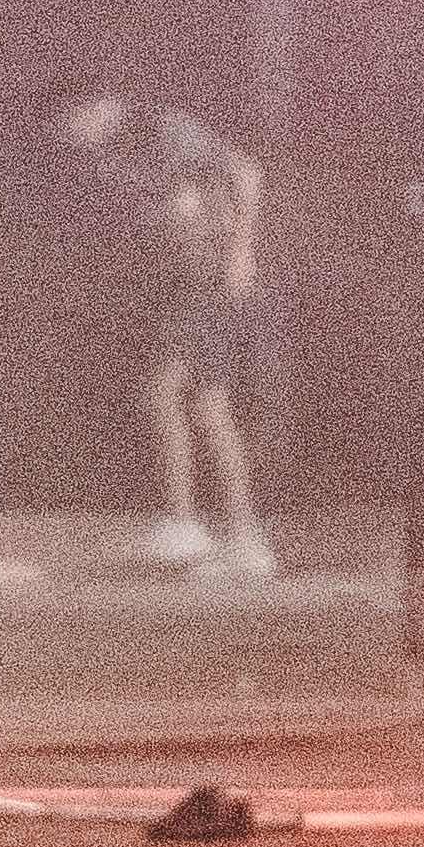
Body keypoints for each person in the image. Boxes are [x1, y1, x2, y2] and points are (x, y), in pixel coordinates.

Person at [53, 94, 274, 576]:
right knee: (195, 403)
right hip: (187, 285)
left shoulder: (162, 131)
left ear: (100, 104)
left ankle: (213, 531)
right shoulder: (117, 161)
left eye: (73, 121)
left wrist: (241, 250)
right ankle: (220, 533)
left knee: (179, 398)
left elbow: (247, 173)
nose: (73, 137)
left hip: (209, 284)